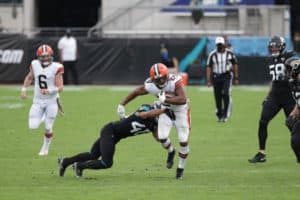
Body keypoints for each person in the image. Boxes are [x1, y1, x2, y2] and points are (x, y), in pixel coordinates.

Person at [58, 103, 176, 178]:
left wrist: (161, 130)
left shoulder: (153, 124)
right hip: (110, 131)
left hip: (114, 136)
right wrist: (163, 111)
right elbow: (143, 114)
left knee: (92, 155)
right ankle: (79, 166)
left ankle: (65, 162)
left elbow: (158, 138)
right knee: (106, 163)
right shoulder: (147, 108)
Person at [117, 63, 191, 179]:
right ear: (153, 79)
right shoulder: (151, 85)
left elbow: (183, 99)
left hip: (181, 111)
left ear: (167, 75)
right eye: (157, 79)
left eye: (162, 77)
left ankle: (180, 168)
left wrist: (166, 99)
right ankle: (171, 151)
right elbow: (137, 91)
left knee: (183, 140)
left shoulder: (174, 80)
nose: (161, 81)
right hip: (165, 111)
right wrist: (122, 104)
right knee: (162, 137)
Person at [248, 36, 297, 163]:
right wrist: (267, 96)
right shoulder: (270, 59)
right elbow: (274, 81)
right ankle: (261, 153)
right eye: (272, 46)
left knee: (293, 126)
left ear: (282, 46)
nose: (274, 48)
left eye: (276, 46)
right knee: (263, 121)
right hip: (275, 96)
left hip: (289, 96)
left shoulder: (290, 56)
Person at [21, 44, 64, 156]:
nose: (45, 58)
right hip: (38, 101)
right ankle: (43, 116)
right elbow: (30, 77)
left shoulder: (56, 67)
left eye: (47, 56)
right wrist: (24, 89)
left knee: (48, 127)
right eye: (42, 56)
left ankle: (45, 148)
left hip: (51, 101)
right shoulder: (34, 64)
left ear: (51, 56)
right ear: (38, 57)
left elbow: (60, 88)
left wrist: (49, 91)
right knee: (32, 126)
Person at [206, 36, 239, 122]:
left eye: (221, 44)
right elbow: (209, 67)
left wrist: (236, 77)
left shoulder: (230, 54)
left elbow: (235, 64)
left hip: (226, 76)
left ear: (224, 44)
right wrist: (209, 80)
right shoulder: (212, 55)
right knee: (218, 96)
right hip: (216, 76)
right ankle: (219, 114)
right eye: (218, 45)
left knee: (226, 93)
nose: (219, 46)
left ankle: (225, 114)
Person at [284, 57, 300, 163]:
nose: (287, 72)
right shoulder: (293, 83)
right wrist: (293, 114)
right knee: (295, 141)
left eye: (288, 69)